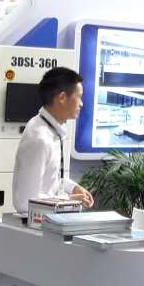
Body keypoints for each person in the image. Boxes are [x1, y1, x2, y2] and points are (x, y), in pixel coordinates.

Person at [13, 67, 94, 213]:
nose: (81, 104)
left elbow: (52, 180)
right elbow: (25, 202)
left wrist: (73, 188)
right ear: (62, 98)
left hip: (51, 219)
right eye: (79, 97)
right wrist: (68, 200)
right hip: (39, 223)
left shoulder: (53, 130)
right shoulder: (39, 138)